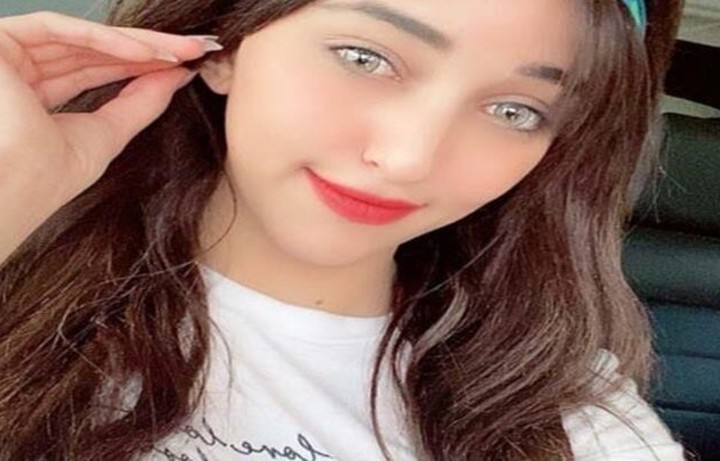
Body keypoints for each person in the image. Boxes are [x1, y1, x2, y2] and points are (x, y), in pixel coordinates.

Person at [0, 0, 686, 459]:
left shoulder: (559, 410)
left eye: (514, 111)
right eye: (364, 58)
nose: (409, 158)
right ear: (223, 48)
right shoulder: (18, 262)